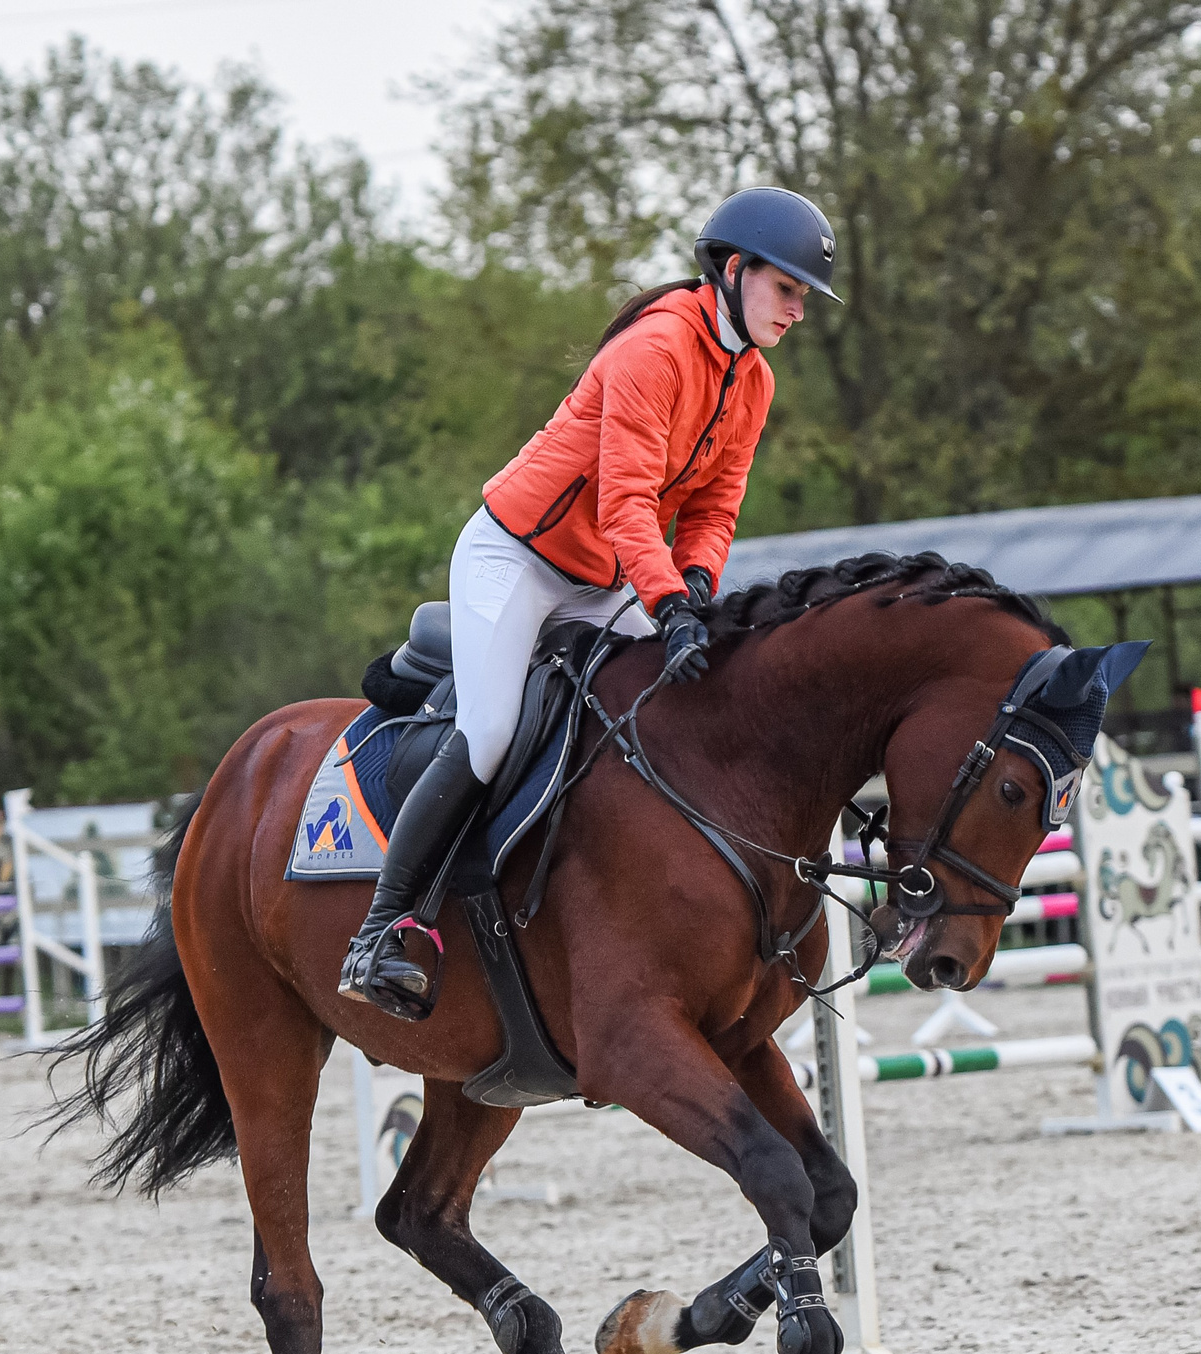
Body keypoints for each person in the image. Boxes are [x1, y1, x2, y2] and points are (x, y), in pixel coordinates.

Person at [339, 187, 838, 1019]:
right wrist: (668, 600)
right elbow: (626, 504)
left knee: (686, 699)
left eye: (804, 298)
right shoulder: (658, 348)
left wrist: (699, 590)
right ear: (738, 269)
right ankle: (381, 929)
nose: (797, 310)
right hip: (518, 557)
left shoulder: (753, 381)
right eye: (787, 289)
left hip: (607, 577)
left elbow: (714, 508)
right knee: (493, 729)